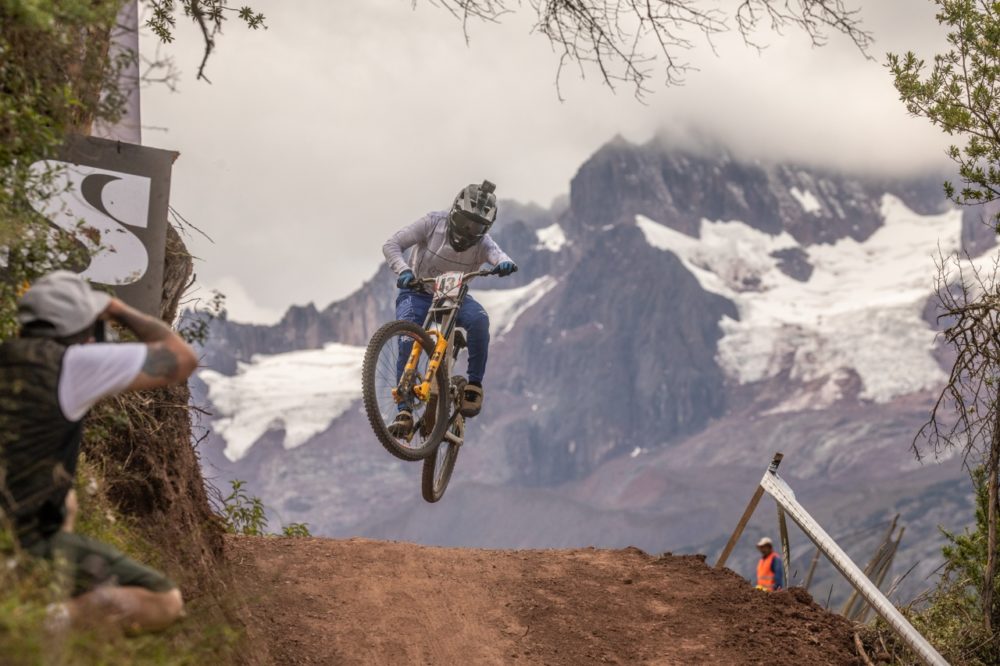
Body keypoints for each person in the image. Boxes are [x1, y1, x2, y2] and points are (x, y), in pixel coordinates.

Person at [0, 270, 198, 633]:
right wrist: (118, 309)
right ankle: (31, 625)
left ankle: (31, 590)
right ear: (83, 327)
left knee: (67, 502)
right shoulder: (74, 364)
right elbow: (180, 359)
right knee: (163, 600)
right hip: (22, 535)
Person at [382, 179, 517, 436]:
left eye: (477, 226)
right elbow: (391, 245)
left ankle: (473, 387)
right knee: (407, 337)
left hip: (454, 296)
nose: (469, 230)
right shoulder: (433, 222)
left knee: (479, 320)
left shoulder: (484, 242)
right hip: (417, 291)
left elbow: (499, 255)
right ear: (454, 212)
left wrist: (505, 263)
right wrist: (404, 270)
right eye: (466, 221)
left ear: (485, 227)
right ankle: (404, 411)